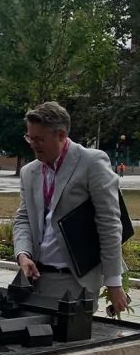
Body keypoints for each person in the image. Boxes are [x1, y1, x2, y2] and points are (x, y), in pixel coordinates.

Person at [13, 101, 128, 312]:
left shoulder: (92, 163)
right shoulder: (29, 172)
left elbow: (109, 222)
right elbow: (24, 218)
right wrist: (23, 254)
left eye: (40, 139)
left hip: (77, 284)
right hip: (37, 280)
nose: (33, 144)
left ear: (61, 134)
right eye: (30, 138)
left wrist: (113, 281)